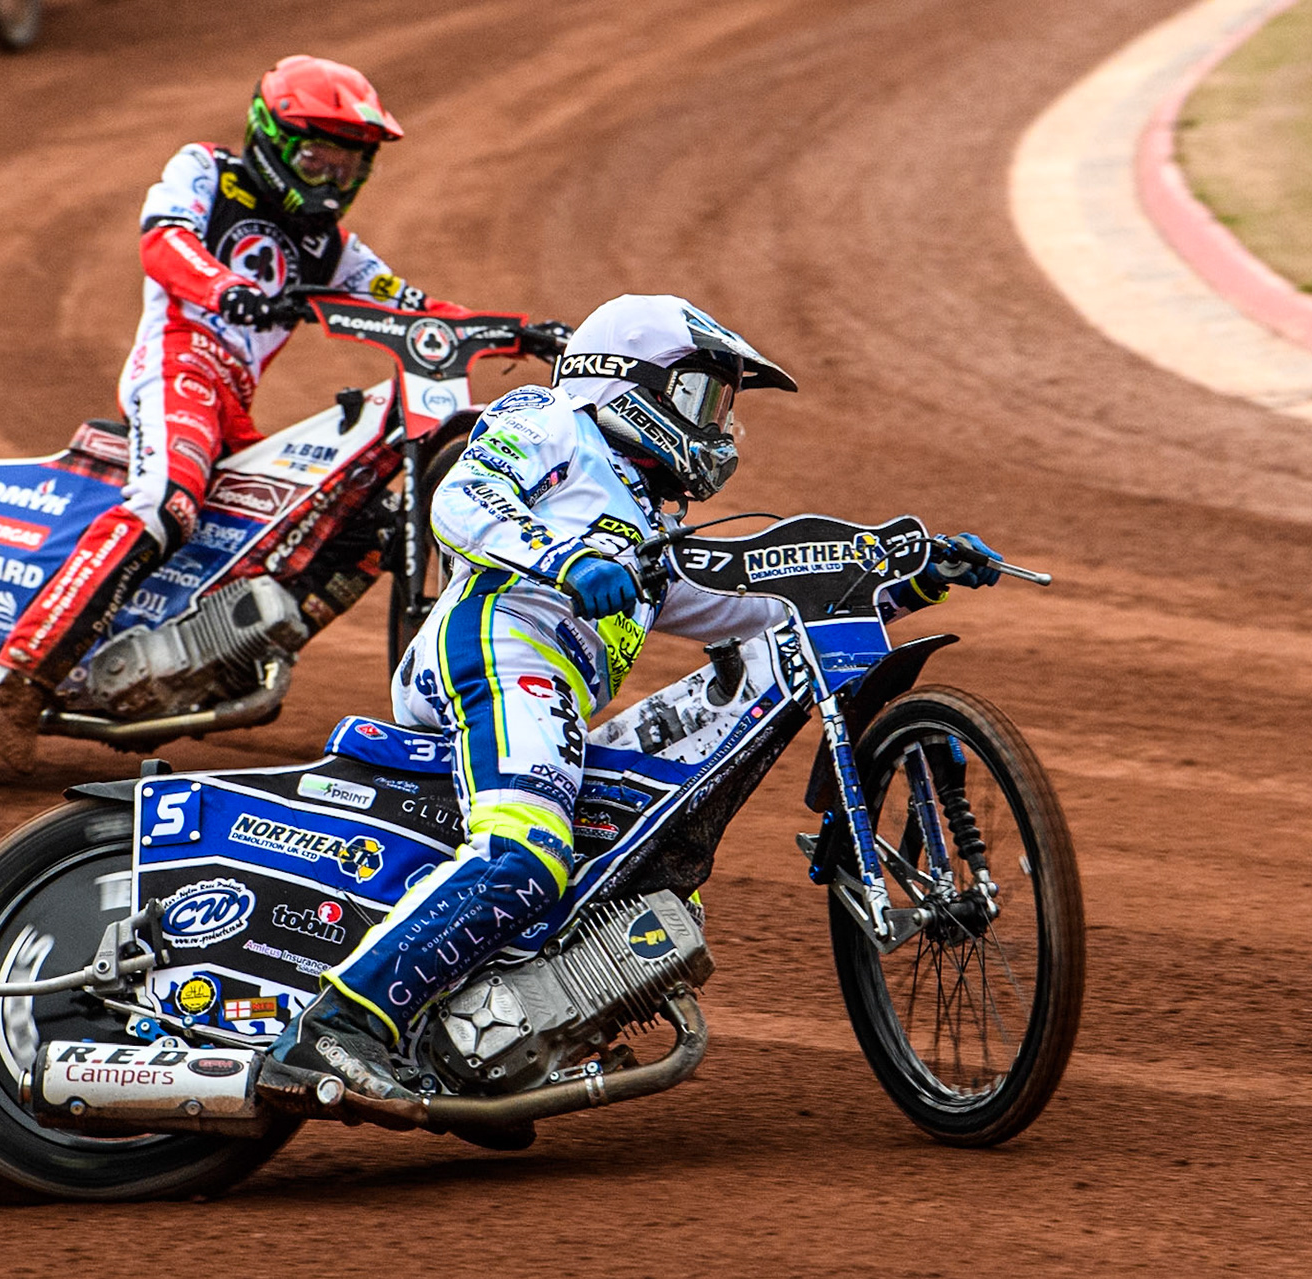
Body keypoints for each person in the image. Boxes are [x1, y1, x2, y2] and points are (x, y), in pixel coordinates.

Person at [267, 293, 1004, 1102]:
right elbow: (461, 500)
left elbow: (747, 610)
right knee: (528, 855)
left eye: (724, 407)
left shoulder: (647, 518)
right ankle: (338, 1025)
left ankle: (476, 1043)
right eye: (704, 397)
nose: (718, 424)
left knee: (595, 867)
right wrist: (566, 558)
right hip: (495, 640)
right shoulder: (551, 419)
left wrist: (903, 586)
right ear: (628, 381)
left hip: (545, 685)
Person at [0, 54, 463, 770]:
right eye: (316, 159)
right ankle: (22, 673)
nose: (332, 182)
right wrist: (221, 286)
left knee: (354, 526)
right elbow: (163, 241)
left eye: (348, 166)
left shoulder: (328, 248)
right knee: (167, 501)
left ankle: (213, 658)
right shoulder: (206, 170)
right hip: (178, 362)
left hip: (232, 400)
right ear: (270, 138)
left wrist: (516, 329)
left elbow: (408, 303)